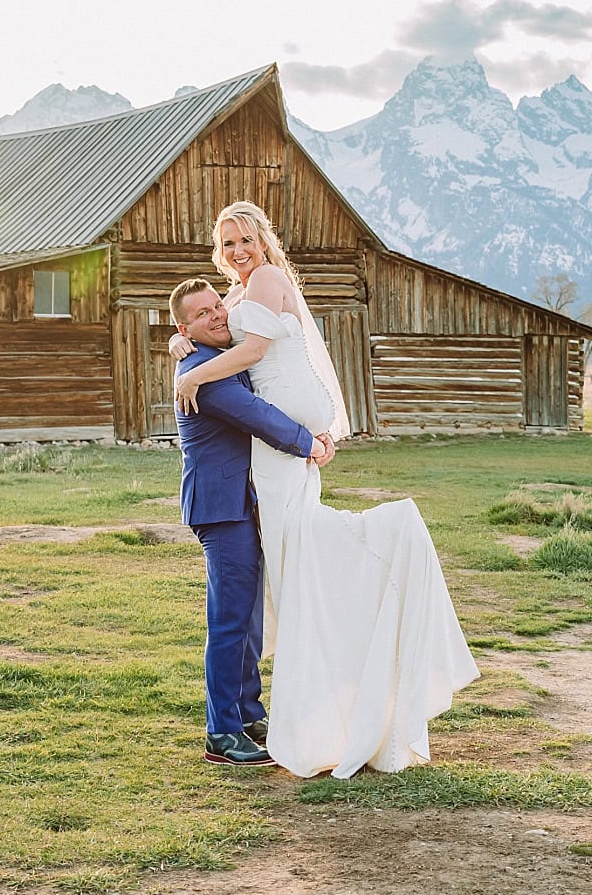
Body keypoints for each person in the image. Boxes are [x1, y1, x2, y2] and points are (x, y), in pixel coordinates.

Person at [170, 200, 479, 779]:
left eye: (245, 239)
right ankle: (225, 727)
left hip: (261, 475)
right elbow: (247, 397)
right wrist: (183, 354)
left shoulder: (254, 291)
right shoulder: (217, 348)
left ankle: (249, 713)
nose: (238, 252)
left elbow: (251, 348)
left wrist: (191, 359)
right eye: (227, 242)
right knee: (239, 611)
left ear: (263, 239)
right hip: (225, 498)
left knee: (264, 600)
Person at [168, 276, 335, 766]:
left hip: (244, 501)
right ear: (187, 328)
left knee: (250, 618)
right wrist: (311, 444)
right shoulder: (204, 373)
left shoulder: (209, 358)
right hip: (221, 507)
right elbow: (258, 415)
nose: (218, 315)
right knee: (229, 620)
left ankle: (246, 711)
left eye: (218, 305)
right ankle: (221, 732)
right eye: (203, 314)